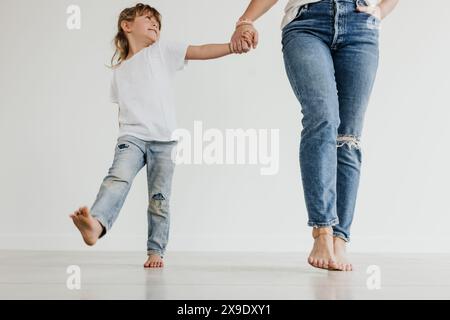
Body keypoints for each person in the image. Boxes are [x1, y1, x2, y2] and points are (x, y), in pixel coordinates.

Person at [70, 3, 245, 268]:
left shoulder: (161, 51)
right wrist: (124, 140)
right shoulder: (119, 71)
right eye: (148, 19)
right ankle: (96, 224)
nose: (155, 25)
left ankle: (156, 250)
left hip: (164, 141)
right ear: (126, 26)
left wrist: (231, 46)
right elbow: (123, 109)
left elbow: (200, 50)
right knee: (117, 178)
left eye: (157, 23)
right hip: (131, 138)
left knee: (159, 199)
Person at [230, 0, 400, 271]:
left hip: (360, 26)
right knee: (323, 118)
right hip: (307, 22)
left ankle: (340, 238)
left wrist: (380, 11)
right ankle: (322, 230)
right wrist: (246, 21)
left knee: (348, 136)